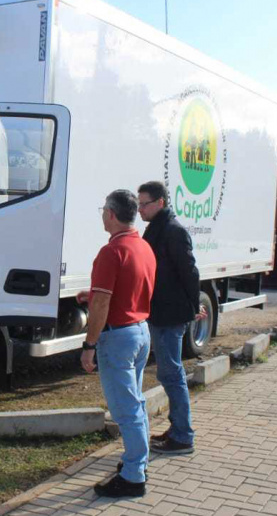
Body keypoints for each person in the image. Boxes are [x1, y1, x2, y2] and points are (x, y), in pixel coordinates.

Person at [77, 189, 156, 498]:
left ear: (110, 214)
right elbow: (127, 288)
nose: (101, 215)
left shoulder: (111, 252)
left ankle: (134, 476)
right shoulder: (143, 247)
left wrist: (89, 346)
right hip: (140, 331)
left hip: (118, 338)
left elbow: (101, 307)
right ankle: (137, 464)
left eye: (102, 210)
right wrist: (94, 293)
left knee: (126, 410)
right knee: (136, 403)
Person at [136, 181, 206, 456]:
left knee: (171, 374)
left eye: (145, 204)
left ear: (160, 203)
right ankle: (178, 429)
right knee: (169, 373)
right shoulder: (156, 229)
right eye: (139, 204)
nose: (140, 209)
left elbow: (190, 271)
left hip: (170, 313)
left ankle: (182, 436)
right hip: (161, 311)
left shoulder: (173, 231)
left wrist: (192, 304)